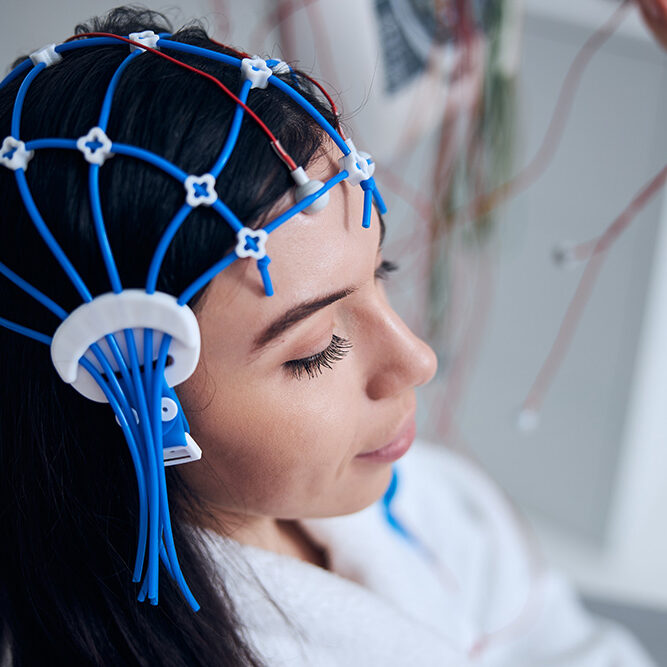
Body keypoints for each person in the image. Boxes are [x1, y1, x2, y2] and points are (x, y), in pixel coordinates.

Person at [0, 7, 657, 666]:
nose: (416, 359)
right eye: (317, 348)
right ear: (122, 383)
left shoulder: (416, 496)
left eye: (383, 272)